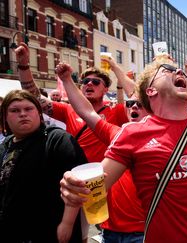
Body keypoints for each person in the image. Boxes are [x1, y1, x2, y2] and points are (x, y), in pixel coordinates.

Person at [59, 56, 187, 242]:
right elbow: (92, 188)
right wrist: (73, 190)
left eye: (180, 71)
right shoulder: (132, 133)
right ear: (150, 90)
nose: (179, 71)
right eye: (168, 70)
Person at [14, 42, 132, 241]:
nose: (88, 84)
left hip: (105, 184)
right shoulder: (69, 110)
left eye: (95, 82)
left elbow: (135, 96)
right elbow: (36, 98)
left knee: (108, 232)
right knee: (78, 235)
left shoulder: (118, 112)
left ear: (105, 89)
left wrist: (114, 66)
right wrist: (24, 65)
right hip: (73, 184)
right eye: (85, 81)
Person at [56, 62, 148, 242]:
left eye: (140, 104)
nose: (134, 107)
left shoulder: (164, 139)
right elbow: (86, 112)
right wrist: (67, 79)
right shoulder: (118, 134)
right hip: (110, 230)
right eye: (130, 104)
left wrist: (114, 66)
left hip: (144, 231)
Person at [0, 90, 86, 242]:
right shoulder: (4, 146)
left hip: (50, 232)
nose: (22, 114)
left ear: (39, 113)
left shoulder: (57, 139)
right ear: (5, 117)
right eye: (14, 110)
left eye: (28, 109)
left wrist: (67, 223)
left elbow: (78, 184)